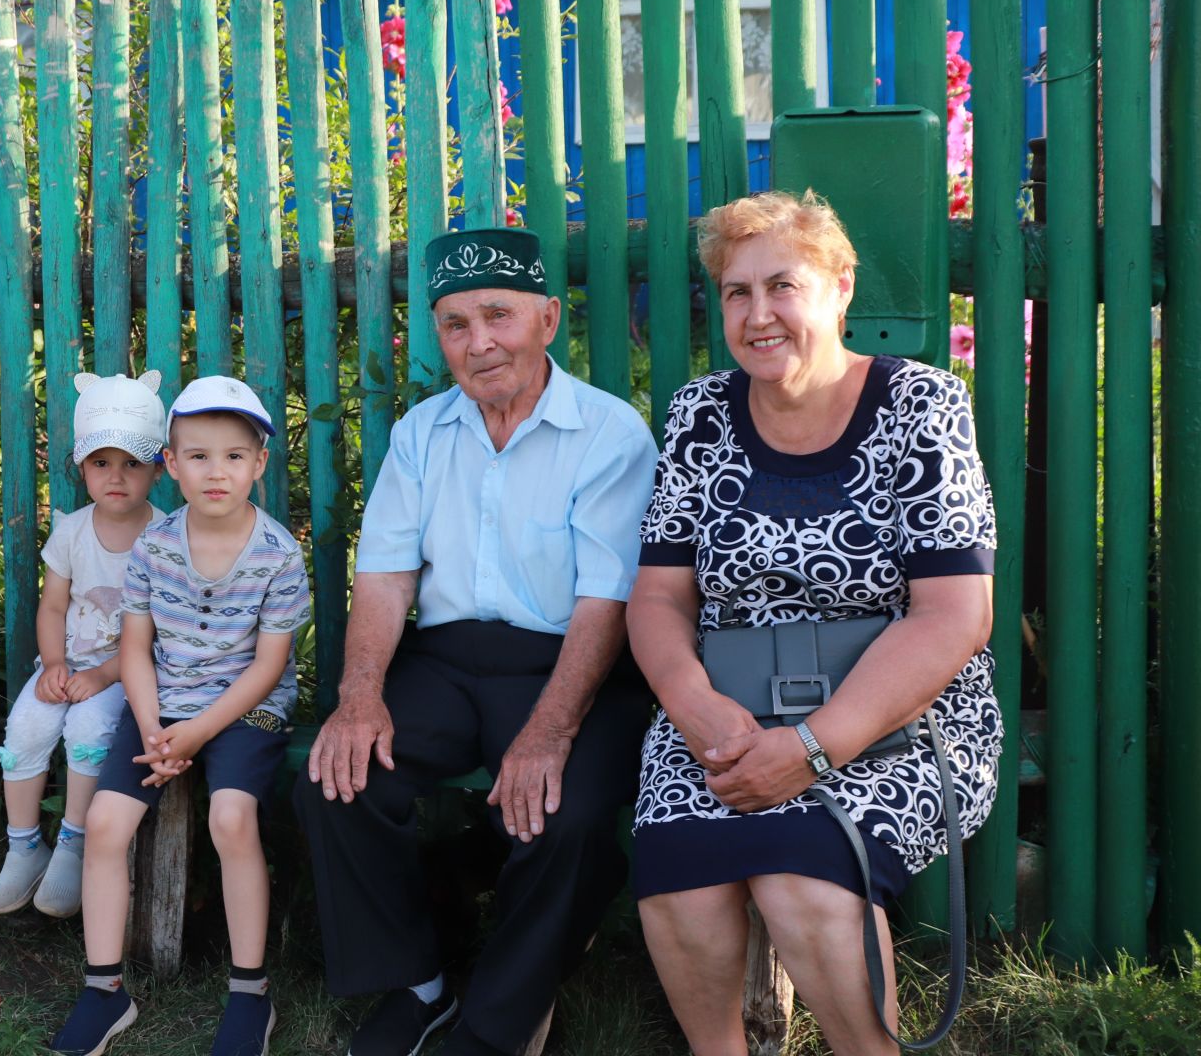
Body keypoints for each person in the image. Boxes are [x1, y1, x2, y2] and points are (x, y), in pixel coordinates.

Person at [627, 191, 1000, 1056]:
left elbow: (954, 615)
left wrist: (814, 748)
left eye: (782, 286)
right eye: (735, 292)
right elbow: (658, 599)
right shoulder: (699, 415)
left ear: (839, 288)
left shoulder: (921, 405)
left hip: (900, 722)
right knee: (683, 877)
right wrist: (697, 710)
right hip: (721, 715)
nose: (758, 315)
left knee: (801, 876)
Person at [296, 227, 660, 1056]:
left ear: (548, 319)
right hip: (449, 659)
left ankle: (494, 1027)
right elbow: (386, 576)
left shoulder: (608, 434)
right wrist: (358, 700)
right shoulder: (425, 434)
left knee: (564, 820)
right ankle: (418, 985)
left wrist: (551, 728)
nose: (479, 341)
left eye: (498, 315)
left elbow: (607, 597)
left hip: (576, 665)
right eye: (455, 324)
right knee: (336, 782)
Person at [50, 375, 310, 1056]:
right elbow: (135, 647)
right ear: (170, 464)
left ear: (259, 462)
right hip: (159, 704)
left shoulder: (278, 555)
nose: (215, 471)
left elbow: (267, 667)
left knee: (231, 817)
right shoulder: (155, 546)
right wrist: (151, 724)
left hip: (244, 709)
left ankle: (251, 993)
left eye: (233, 455)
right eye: (197, 455)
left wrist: (195, 732)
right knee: (105, 823)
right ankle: (104, 991)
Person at [0, 372, 167, 919]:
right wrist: (55, 664)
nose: (116, 476)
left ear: (159, 468)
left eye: (132, 463)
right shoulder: (70, 531)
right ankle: (23, 847)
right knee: (28, 727)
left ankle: (73, 844)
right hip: (68, 664)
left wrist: (104, 676)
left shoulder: (164, 538)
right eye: (101, 463)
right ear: (81, 467)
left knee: (89, 729)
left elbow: (154, 630)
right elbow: (54, 606)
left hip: (125, 670)